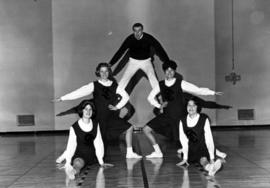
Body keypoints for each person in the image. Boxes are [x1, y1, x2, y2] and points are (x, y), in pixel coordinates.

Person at [53, 62, 141, 159]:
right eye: (101, 71)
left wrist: (118, 107)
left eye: (106, 71)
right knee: (87, 143)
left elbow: (126, 96)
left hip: (111, 118)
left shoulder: (115, 85)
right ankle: (65, 155)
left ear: (109, 72)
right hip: (98, 119)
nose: (104, 73)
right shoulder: (94, 85)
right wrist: (62, 98)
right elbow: (79, 92)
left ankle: (129, 153)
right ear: (98, 72)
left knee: (129, 127)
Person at [143, 60, 223, 158]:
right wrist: (159, 106)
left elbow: (197, 90)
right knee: (146, 129)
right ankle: (157, 152)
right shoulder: (161, 85)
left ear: (174, 72)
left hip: (180, 117)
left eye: (172, 70)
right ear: (164, 71)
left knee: (195, 138)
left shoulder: (180, 83)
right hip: (167, 116)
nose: (169, 72)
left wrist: (212, 92)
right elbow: (150, 97)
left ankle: (215, 151)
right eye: (167, 70)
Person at [108, 22, 170, 103]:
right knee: (124, 80)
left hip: (146, 62)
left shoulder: (148, 38)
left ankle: (162, 99)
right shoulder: (130, 39)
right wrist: (111, 63)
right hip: (133, 62)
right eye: (135, 31)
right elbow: (120, 51)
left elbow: (159, 49)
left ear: (142, 30)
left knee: (153, 79)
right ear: (133, 31)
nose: (137, 33)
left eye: (139, 31)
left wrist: (168, 62)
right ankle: (116, 99)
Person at [58, 100, 113, 180]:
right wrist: (68, 162)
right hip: (80, 155)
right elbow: (71, 146)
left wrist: (101, 162)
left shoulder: (95, 125)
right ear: (82, 110)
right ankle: (73, 172)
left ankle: (71, 168)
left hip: (92, 156)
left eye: (90, 109)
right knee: (77, 163)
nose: (88, 111)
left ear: (92, 111)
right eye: (85, 109)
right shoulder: (74, 127)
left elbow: (98, 143)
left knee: (83, 162)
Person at [176, 98, 224, 176]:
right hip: (191, 149)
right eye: (189, 105)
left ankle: (210, 167)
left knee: (203, 159)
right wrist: (185, 158)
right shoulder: (182, 120)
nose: (191, 108)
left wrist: (211, 157)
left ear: (197, 107)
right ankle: (211, 168)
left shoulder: (204, 119)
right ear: (186, 107)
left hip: (202, 146)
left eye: (194, 105)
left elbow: (209, 138)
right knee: (200, 158)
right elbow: (183, 140)